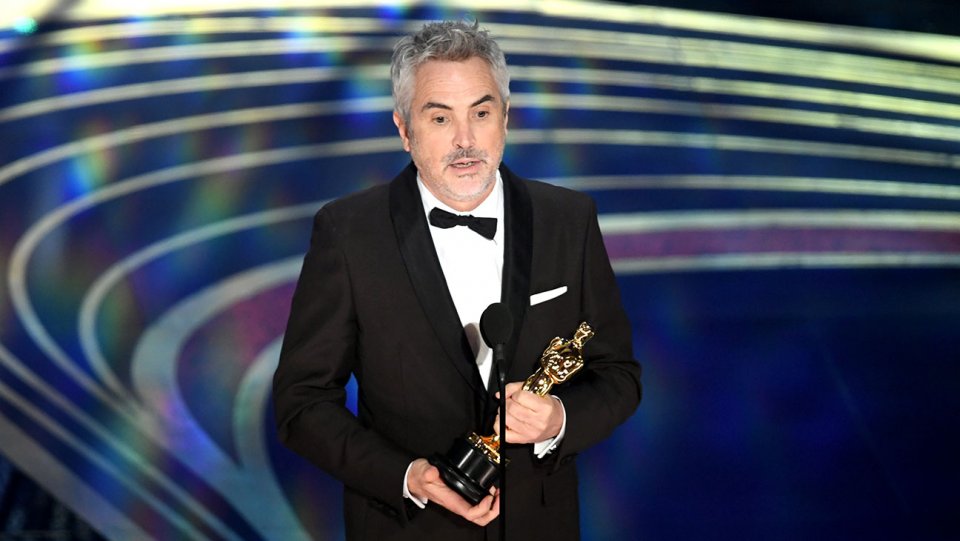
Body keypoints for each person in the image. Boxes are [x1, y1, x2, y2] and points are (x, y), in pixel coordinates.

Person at [272, 19, 642, 540]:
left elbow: (619, 376)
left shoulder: (569, 219)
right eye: (440, 117)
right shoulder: (348, 233)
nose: (466, 141)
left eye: (481, 113)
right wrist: (406, 476)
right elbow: (302, 402)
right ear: (404, 129)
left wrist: (558, 420)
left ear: (506, 118)